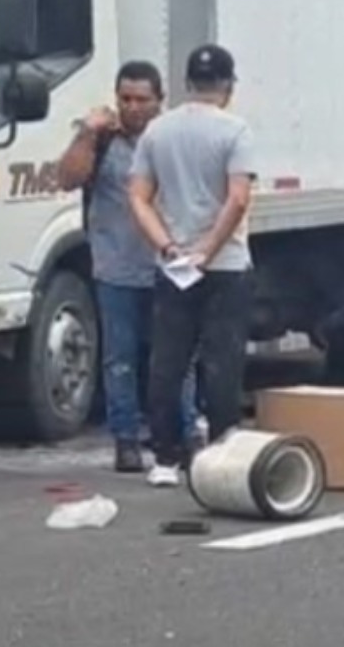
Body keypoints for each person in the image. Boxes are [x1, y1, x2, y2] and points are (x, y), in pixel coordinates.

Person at [56, 60, 198, 474]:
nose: (133, 107)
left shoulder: (170, 140)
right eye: (126, 99)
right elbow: (66, 178)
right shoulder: (104, 142)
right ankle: (126, 440)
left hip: (169, 266)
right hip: (116, 266)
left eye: (143, 100)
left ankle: (182, 435)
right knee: (120, 358)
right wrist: (88, 132)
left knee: (176, 357)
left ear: (160, 101)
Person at [127, 44, 257, 487]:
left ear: (186, 85)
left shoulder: (157, 132)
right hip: (227, 264)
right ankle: (221, 451)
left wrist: (167, 247)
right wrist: (210, 247)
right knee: (222, 361)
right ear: (228, 86)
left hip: (174, 265)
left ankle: (165, 458)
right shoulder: (236, 131)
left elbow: (138, 198)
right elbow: (238, 198)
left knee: (168, 361)